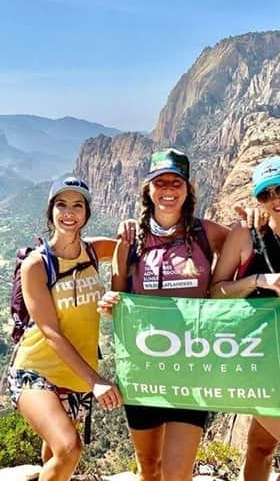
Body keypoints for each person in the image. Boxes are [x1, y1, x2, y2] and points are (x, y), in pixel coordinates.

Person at [98, 148, 230, 481]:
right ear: (148, 189)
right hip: (144, 367)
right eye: (160, 182)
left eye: (176, 182)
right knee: (149, 469)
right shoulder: (131, 239)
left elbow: (251, 247)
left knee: (176, 474)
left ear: (188, 189)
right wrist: (109, 302)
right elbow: (119, 304)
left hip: (192, 366)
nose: (168, 189)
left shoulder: (206, 232)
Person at [210, 156, 280, 481]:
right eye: (265, 194)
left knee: (262, 446)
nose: (275, 199)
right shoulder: (247, 237)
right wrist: (256, 281)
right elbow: (215, 293)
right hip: (254, 360)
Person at [9, 176, 123, 481]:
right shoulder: (37, 264)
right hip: (36, 370)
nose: (69, 212)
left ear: (86, 212)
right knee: (70, 448)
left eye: (77, 205)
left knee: (54, 456)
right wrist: (96, 380)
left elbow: (132, 252)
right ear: (51, 211)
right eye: (61, 205)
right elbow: (50, 331)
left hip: (76, 377)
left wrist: (120, 294)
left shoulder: (96, 251)